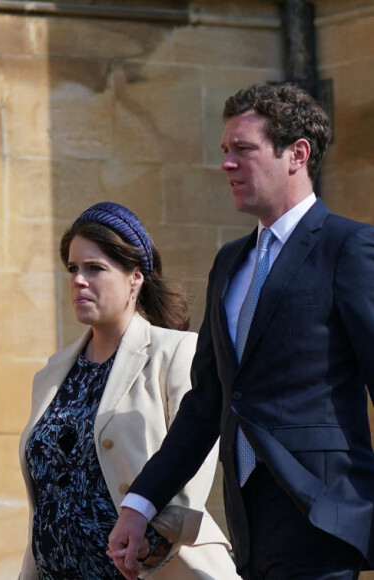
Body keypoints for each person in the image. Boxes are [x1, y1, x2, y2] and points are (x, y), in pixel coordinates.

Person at [108, 83, 374, 580]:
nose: (227, 164)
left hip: (325, 519)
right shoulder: (230, 263)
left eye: (243, 150)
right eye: (225, 151)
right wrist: (140, 504)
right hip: (248, 526)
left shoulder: (349, 247)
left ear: (298, 154)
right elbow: (208, 402)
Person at [18, 202, 240, 579]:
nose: (78, 281)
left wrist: (148, 541)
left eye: (95, 269)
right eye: (73, 269)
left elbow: (192, 468)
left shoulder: (176, 352)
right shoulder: (51, 373)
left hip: (151, 570)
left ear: (135, 277)